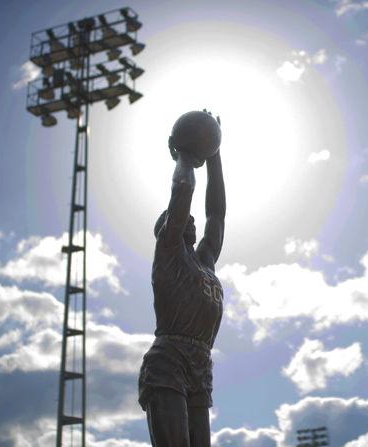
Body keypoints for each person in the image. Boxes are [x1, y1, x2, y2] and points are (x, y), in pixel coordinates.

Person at [138, 114, 225, 447]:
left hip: (201, 363)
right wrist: (184, 156)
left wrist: (215, 154)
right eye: (176, 217)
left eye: (189, 219)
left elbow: (216, 214)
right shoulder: (169, 252)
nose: (187, 219)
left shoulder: (205, 262)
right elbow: (184, 187)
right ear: (166, 228)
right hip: (169, 359)